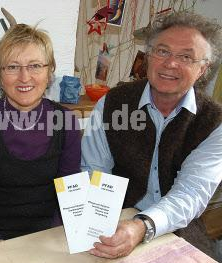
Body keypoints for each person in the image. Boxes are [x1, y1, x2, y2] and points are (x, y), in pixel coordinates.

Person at [81, 11, 222, 260]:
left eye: (186, 56)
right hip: (115, 219)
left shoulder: (214, 122)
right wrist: (101, 224)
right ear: (147, 57)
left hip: (178, 226)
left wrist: (142, 226)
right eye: (162, 51)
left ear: (203, 70)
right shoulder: (112, 103)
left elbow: (191, 193)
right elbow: (94, 172)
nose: (170, 63)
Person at [0, 24, 81, 249]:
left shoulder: (66, 121)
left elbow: (69, 194)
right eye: (12, 67)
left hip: (47, 238)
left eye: (35, 66)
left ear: (49, 71)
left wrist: (49, 238)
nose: (25, 77)